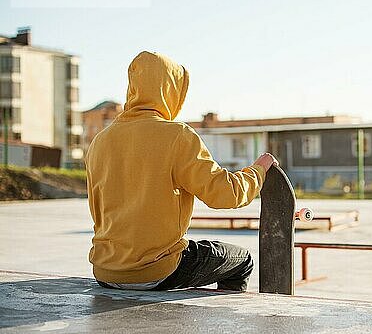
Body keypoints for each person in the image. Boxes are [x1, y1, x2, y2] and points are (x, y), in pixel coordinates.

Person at [85, 51, 278, 291]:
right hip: (158, 270)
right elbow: (225, 194)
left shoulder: (100, 140)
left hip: (105, 270)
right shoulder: (177, 135)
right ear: (171, 90)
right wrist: (258, 170)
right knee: (242, 261)